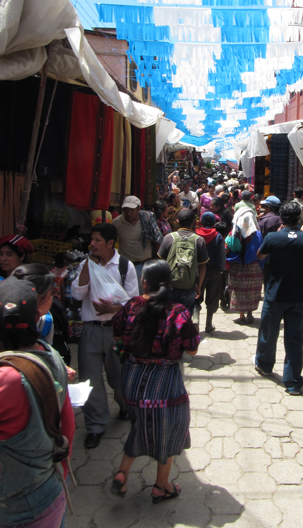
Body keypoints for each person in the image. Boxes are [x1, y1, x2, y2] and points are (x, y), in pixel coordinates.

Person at [110, 260, 199, 502]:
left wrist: (126, 351)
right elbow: (192, 349)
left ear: (144, 282)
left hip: (132, 380)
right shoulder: (177, 312)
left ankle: (122, 473)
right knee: (168, 429)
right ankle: (161, 485)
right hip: (164, 384)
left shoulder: (130, 307)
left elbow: (116, 334)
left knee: (139, 424)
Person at [0, 278, 75, 528]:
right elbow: (68, 427)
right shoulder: (51, 357)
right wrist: (60, 474)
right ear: (37, 317)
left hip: (17, 508)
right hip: (48, 491)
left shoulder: (7, 379)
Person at [71, 223, 139, 449]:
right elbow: (77, 293)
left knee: (119, 376)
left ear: (111, 243)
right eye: (92, 240)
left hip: (116, 334)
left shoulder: (124, 266)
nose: (92, 244)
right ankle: (95, 426)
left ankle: (124, 406)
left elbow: (133, 302)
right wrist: (87, 267)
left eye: (97, 240)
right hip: (90, 331)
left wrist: (113, 310)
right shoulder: (85, 265)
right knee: (90, 380)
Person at [255, 202, 303, 395]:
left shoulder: (273, 237)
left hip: (274, 296)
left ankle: (264, 365)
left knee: (268, 334)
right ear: (300, 219)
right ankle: (293, 382)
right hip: (297, 297)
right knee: (294, 340)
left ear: (282, 220)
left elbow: (259, 256)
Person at [158, 208, 208, 316]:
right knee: (185, 318)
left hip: (171, 287)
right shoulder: (199, 240)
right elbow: (202, 266)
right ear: (193, 222)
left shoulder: (168, 238)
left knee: (169, 318)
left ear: (177, 221)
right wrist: (199, 286)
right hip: (189, 288)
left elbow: (161, 264)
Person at [112, 196, 163, 289]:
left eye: (132, 210)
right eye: (126, 210)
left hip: (146, 264)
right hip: (127, 266)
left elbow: (157, 240)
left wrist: (160, 260)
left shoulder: (147, 220)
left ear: (138, 209)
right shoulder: (117, 223)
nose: (128, 213)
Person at [226, 201, 263, 325]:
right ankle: (250, 314)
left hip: (237, 266)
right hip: (253, 266)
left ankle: (241, 316)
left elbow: (227, 249)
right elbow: (260, 252)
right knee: (251, 291)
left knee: (238, 290)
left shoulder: (233, 233)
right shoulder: (257, 234)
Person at [195, 212, 227, 333]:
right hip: (214, 271)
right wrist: (222, 269)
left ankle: (195, 322)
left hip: (198, 271)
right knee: (212, 299)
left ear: (201, 222)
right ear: (214, 223)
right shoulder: (218, 236)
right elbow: (221, 254)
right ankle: (208, 324)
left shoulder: (196, 235)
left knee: (196, 297)